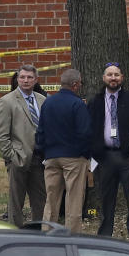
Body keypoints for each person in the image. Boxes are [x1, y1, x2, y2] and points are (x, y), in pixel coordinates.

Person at [87, 62, 129, 242]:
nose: (113, 78)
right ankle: (105, 237)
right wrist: (96, 152)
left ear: (122, 78)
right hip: (105, 158)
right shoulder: (94, 101)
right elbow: (89, 129)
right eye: (109, 75)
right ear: (104, 78)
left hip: (128, 157)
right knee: (106, 199)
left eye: (116, 75)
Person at [36, 68, 91, 233]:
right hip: (74, 157)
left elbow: (40, 131)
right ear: (75, 84)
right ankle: (71, 235)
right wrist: (85, 154)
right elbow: (85, 133)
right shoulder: (78, 104)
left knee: (51, 199)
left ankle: (47, 231)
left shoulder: (48, 102)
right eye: (80, 83)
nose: (80, 85)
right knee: (73, 199)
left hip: (52, 157)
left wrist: (43, 151)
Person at [0, 65, 47, 227]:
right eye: (22, 77)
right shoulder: (7, 101)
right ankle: (15, 231)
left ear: (35, 80)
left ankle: (38, 230)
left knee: (40, 199)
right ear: (17, 79)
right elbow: (1, 134)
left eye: (30, 77)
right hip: (18, 157)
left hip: (39, 158)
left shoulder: (42, 100)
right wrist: (11, 156)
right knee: (16, 200)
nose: (26, 80)